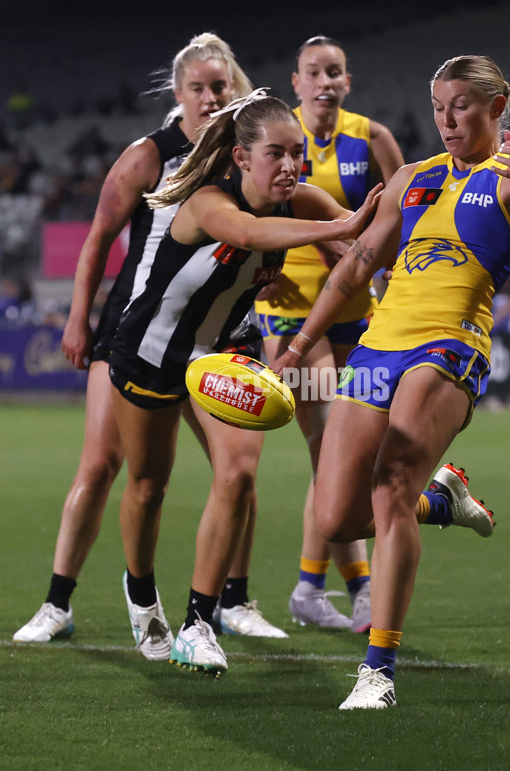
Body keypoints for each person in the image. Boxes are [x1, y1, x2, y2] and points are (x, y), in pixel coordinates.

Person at [273, 55, 510, 708]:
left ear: (497, 107)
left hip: (449, 347)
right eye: (438, 106)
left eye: (461, 105)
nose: (446, 119)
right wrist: (298, 345)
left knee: (388, 487)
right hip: (378, 347)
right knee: (336, 517)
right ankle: (440, 499)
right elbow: (355, 268)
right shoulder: (412, 178)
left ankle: (377, 669)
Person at [13, 33, 287, 651]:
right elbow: (97, 239)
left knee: (237, 469)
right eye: (199, 88)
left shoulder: (246, 157)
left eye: (220, 86)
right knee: (107, 465)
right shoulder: (149, 155)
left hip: (221, 335)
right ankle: (58, 601)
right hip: (139, 329)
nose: (212, 97)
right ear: (178, 93)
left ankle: (230, 604)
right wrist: (78, 317)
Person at [108, 91, 382, 675]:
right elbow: (252, 235)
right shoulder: (209, 202)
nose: (290, 166)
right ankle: (139, 592)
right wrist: (342, 223)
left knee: (237, 473)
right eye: (276, 154)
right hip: (155, 347)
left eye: (297, 154)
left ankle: (198, 623)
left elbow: (355, 249)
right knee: (150, 484)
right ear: (240, 156)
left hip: (227, 347)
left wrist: (369, 252)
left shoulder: (301, 198)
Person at [256, 35, 491, 634]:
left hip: (363, 316)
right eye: (315, 72)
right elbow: (252, 212)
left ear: (347, 81)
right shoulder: (280, 143)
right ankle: (325, 585)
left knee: (361, 465)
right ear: (298, 81)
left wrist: (394, 271)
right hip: (290, 313)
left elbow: (409, 217)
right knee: (324, 450)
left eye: (335, 71)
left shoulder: (373, 138)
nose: (326, 81)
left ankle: (338, 588)